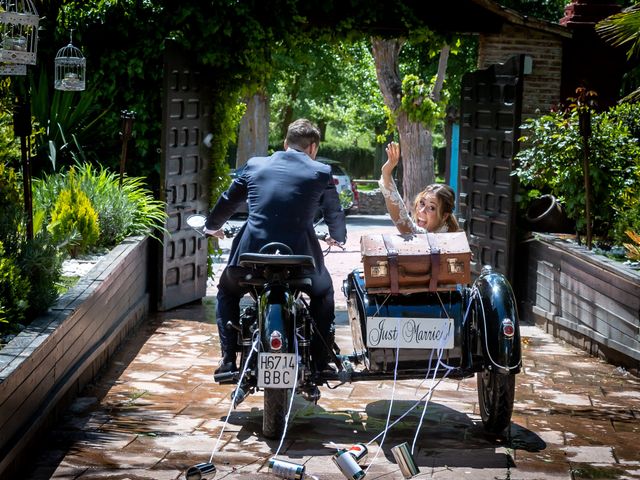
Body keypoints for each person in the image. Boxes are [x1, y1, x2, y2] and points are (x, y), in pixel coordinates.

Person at [205, 118, 347, 374]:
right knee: (323, 294)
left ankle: (228, 359)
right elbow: (334, 212)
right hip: (301, 263)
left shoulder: (255, 165)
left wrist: (210, 226)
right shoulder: (321, 172)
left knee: (227, 292)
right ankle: (320, 361)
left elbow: (228, 201)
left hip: (251, 259)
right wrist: (338, 237)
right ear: (313, 147)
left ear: (285, 144)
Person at [379, 141, 461, 233]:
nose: (422, 210)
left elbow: (404, 224)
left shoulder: (442, 238)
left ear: (444, 216)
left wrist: (386, 171)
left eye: (431, 208)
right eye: (422, 203)